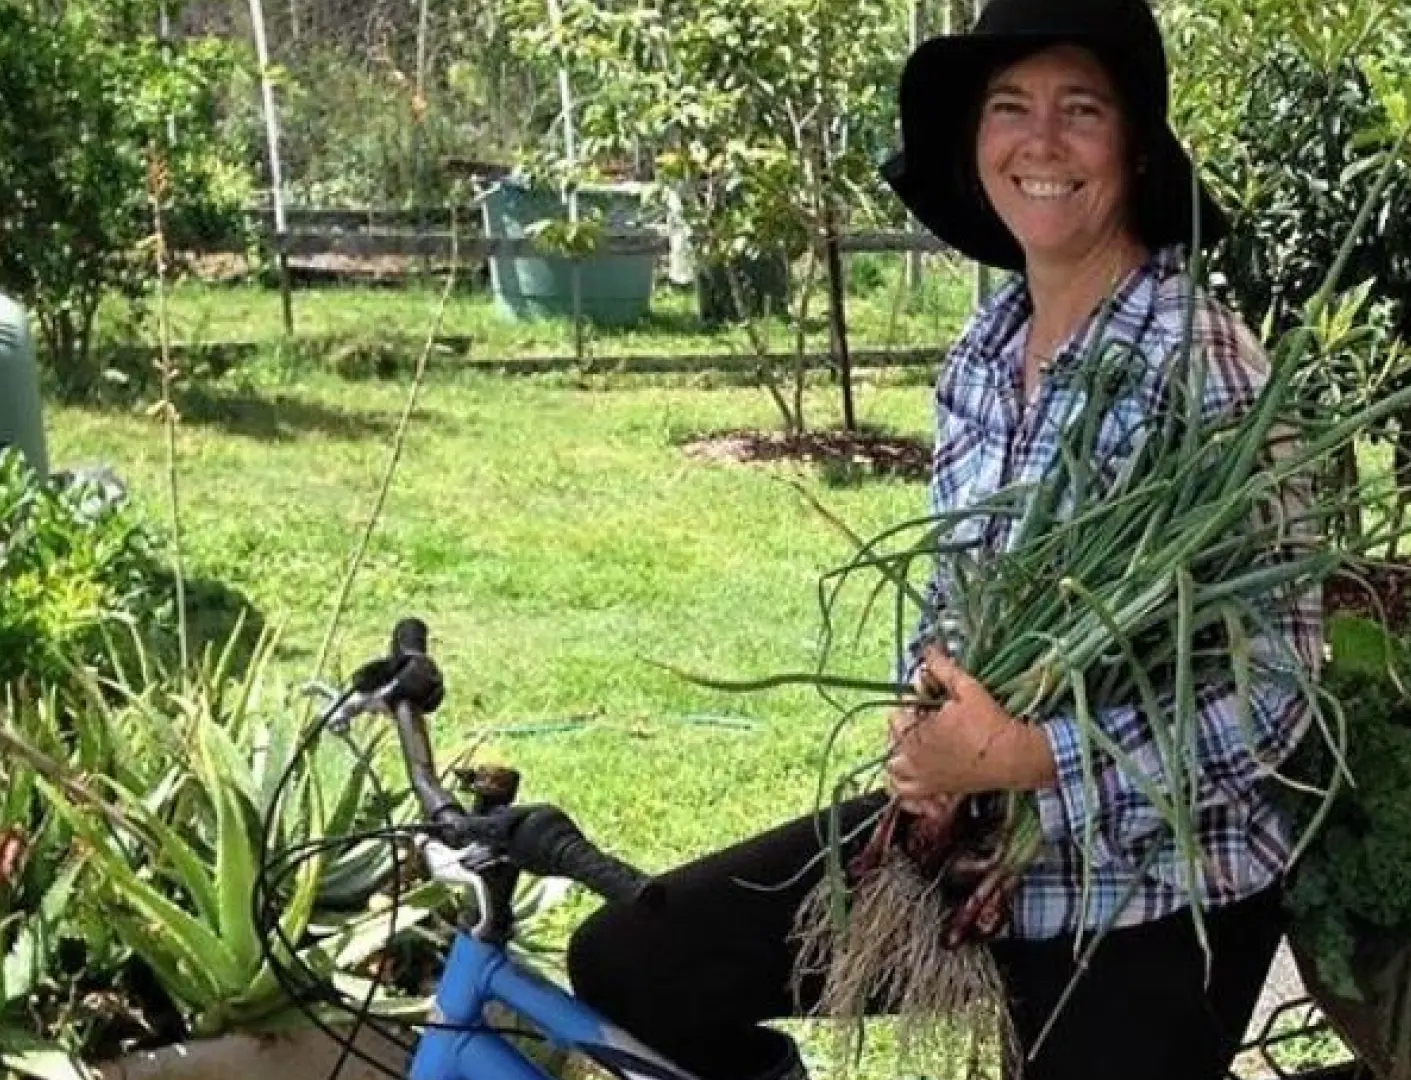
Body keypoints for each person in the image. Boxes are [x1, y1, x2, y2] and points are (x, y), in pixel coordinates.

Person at [565, 1, 1322, 1078]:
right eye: (1009, 106)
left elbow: (1280, 692)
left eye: (1082, 108)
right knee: (636, 965)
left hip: (1150, 896)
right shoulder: (984, 346)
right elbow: (953, 594)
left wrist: (1033, 759)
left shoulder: (1211, 370)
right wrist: (923, 727)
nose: (1041, 142)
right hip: (959, 846)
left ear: (1137, 144)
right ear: (975, 144)